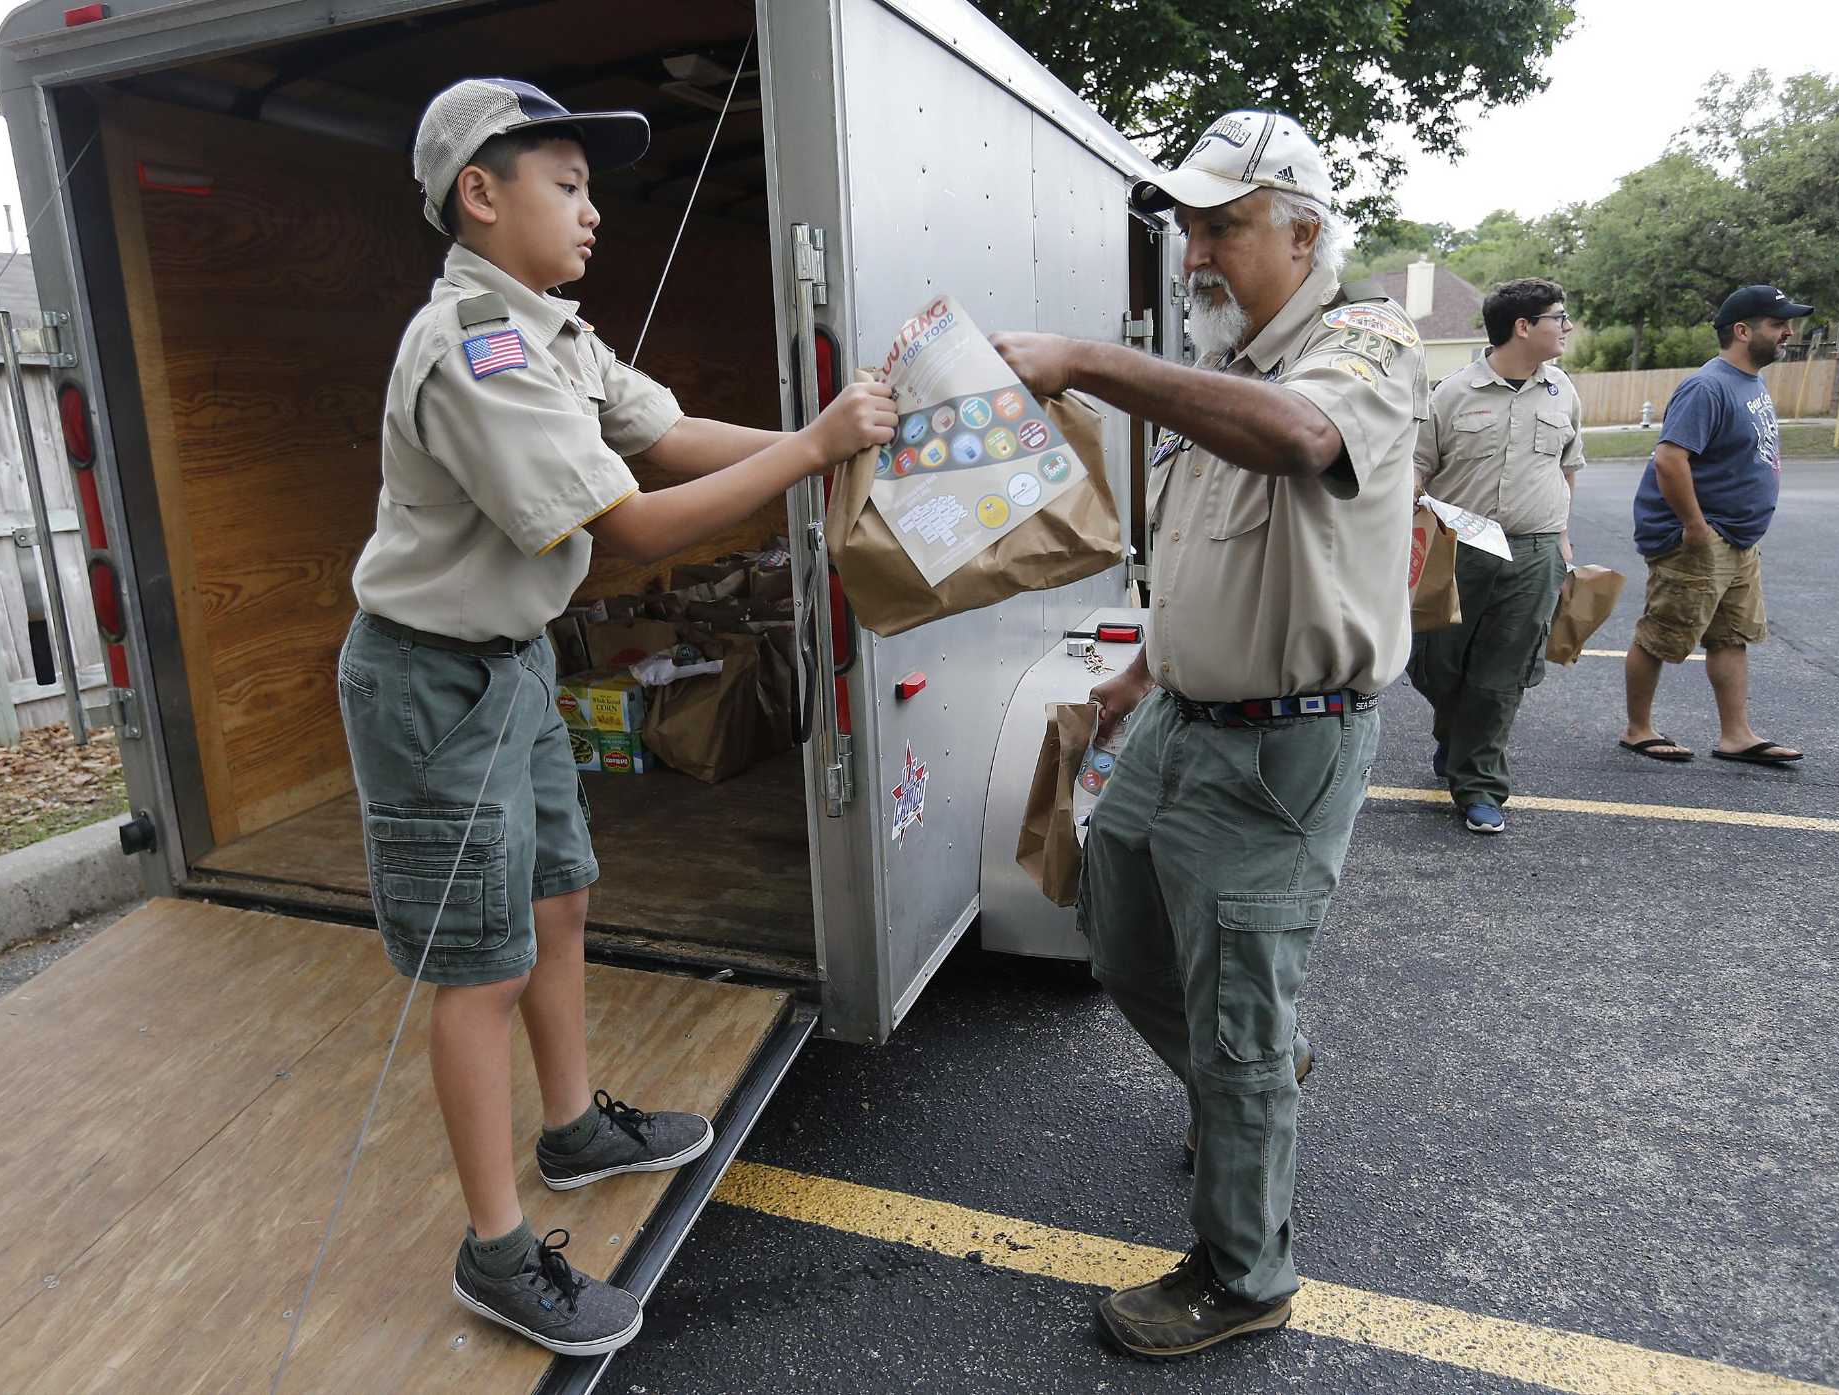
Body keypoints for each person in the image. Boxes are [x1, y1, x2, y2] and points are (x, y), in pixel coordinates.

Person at [338, 78, 894, 1356]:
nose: (594, 211)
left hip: (511, 658)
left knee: (560, 903)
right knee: (479, 970)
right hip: (431, 682)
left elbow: (678, 434)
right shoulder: (472, 349)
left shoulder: (552, 333)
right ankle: (495, 1253)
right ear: (480, 195)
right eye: (567, 184)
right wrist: (815, 450)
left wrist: (845, 438)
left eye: (591, 187)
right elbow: (631, 522)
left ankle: (576, 1126)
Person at [992, 109, 1422, 1360]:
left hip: (1283, 747)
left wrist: (1082, 358)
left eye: (1221, 225)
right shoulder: (1222, 366)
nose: (1192, 252)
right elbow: (1194, 558)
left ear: (1302, 228)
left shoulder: (1364, 341)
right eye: (1184, 226)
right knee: (1117, 936)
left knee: (1233, 1010)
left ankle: (1244, 1275)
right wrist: (1135, 674)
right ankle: (1260, 1074)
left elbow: (1298, 441)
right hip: (1183, 717)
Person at [1409, 278, 1585, 833]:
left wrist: (1561, 543)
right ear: (1523, 326)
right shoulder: (1451, 393)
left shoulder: (1563, 392)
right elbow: (1418, 468)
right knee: (1438, 665)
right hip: (1457, 548)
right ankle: (1455, 736)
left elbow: (1567, 470)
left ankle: (1480, 784)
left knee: (1502, 673)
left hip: (1532, 552)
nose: (1568, 326)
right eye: (1559, 317)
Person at [1617, 284, 1810, 767]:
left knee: (1731, 636)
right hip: (1702, 539)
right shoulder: (1709, 386)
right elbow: (1670, 459)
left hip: (1739, 539)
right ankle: (1638, 729)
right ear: (1742, 331)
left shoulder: (1750, 381)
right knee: (1661, 635)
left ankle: (1736, 736)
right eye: (1777, 324)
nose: (1788, 331)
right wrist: (1695, 527)